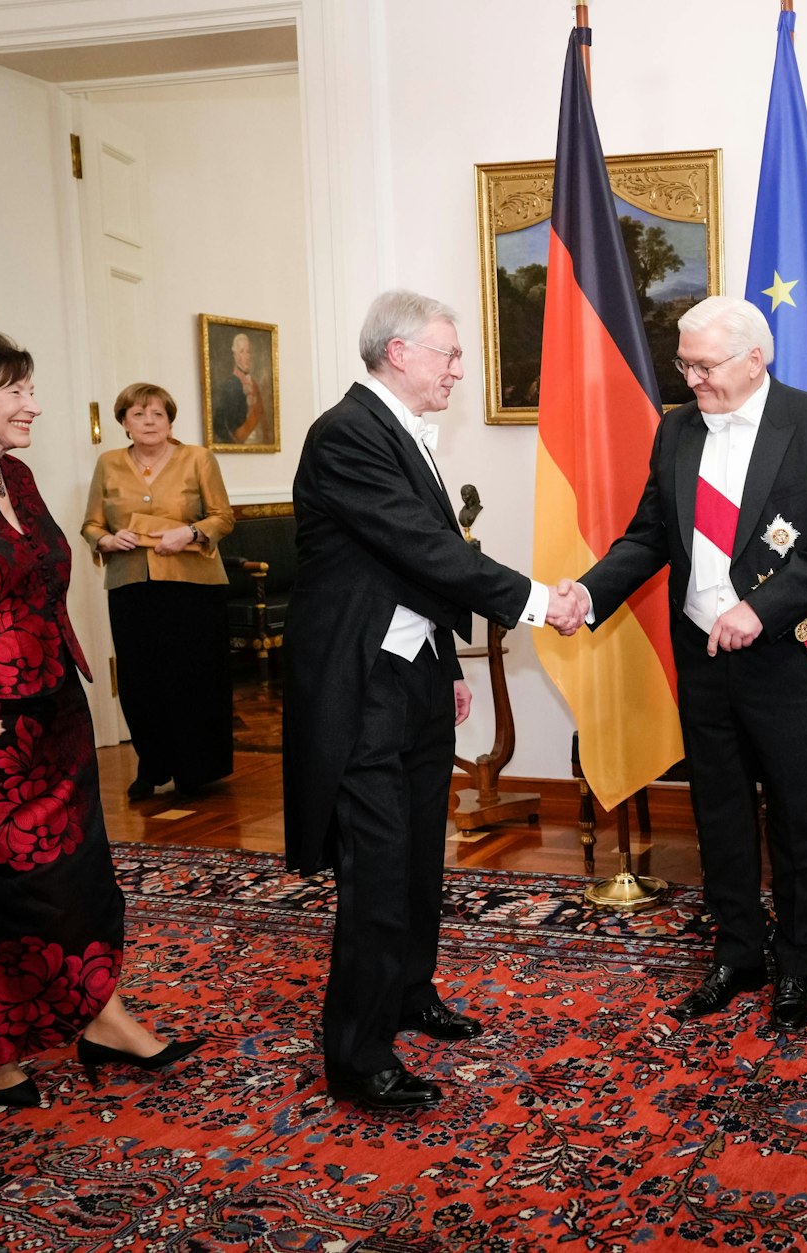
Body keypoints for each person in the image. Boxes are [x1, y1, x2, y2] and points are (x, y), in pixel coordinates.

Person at [0, 329, 201, 1107]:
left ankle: (103, 1014)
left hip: (54, 707)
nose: (34, 403)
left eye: (31, 388)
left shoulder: (20, 476)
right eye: (16, 390)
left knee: (78, 874)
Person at [285, 289, 575, 1110]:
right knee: (374, 869)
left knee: (416, 856)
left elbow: (420, 565)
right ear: (399, 352)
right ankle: (358, 1055)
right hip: (360, 685)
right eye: (449, 353)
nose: (459, 369)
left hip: (411, 677)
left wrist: (446, 667)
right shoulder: (346, 434)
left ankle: (410, 991)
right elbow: (421, 549)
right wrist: (537, 598)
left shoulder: (403, 433)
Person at [555, 295, 807, 1031]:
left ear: (755, 358)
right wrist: (586, 593)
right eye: (684, 363)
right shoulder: (675, 431)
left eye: (703, 364)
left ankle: (797, 961)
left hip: (785, 655)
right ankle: (737, 951)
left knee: (797, 815)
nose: (690, 377)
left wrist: (762, 607)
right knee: (718, 811)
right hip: (702, 655)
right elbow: (648, 536)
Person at [81, 383, 236, 801]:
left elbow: (223, 517)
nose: (149, 422)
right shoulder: (108, 464)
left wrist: (189, 531)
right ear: (123, 423)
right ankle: (151, 765)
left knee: (192, 677)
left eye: (157, 415)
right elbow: (91, 525)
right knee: (140, 680)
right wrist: (107, 542)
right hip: (132, 586)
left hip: (193, 586)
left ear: (170, 421)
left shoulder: (197, 459)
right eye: (138, 415)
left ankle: (195, 768)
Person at [212, 332, 268, 446]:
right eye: (242, 352)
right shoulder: (228, 386)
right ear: (235, 356)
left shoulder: (254, 385)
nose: (246, 356)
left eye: (248, 352)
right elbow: (220, 425)